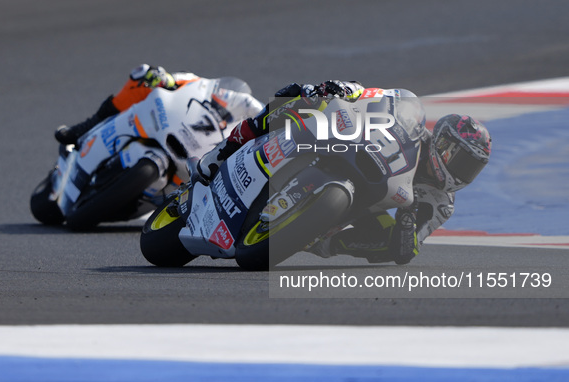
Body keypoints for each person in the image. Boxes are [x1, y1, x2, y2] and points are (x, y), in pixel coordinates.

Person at [197, 80, 492, 265]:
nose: (460, 171)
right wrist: (344, 90)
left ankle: (322, 238)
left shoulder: (441, 202)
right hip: (354, 147)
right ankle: (224, 150)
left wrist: (407, 219)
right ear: (442, 141)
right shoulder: (413, 121)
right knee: (299, 97)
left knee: (386, 248)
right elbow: (375, 96)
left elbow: (407, 251)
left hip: (368, 204)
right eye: (459, 159)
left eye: (470, 168)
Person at [54, 64, 200, 145]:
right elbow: (194, 81)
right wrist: (169, 80)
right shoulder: (219, 91)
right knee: (143, 76)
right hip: (180, 115)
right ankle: (88, 127)